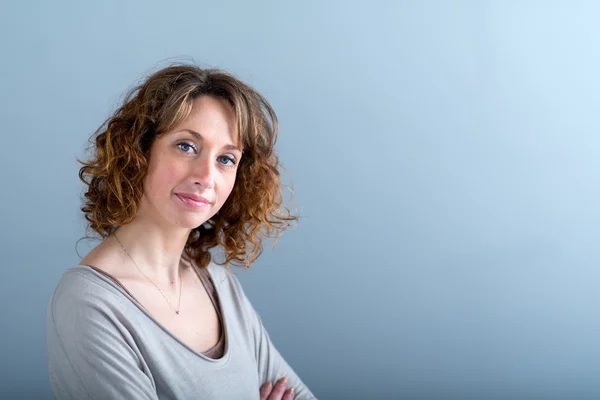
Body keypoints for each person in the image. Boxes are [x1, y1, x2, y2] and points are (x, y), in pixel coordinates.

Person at [45, 63, 316, 400]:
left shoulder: (218, 282)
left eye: (226, 159)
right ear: (140, 151)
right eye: (187, 146)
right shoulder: (90, 304)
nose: (207, 175)